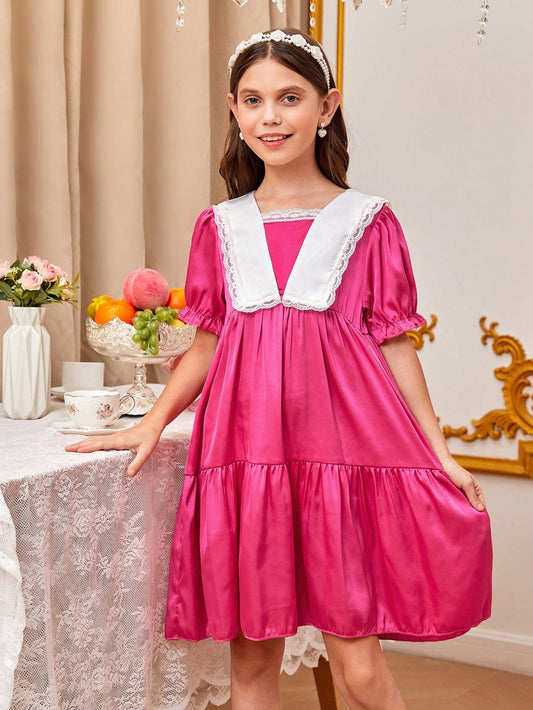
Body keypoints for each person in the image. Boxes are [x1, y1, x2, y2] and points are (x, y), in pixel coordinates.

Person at [67, 28, 492, 710]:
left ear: (326, 108)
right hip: (247, 451)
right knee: (251, 668)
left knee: (358, 672)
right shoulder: (219, 226)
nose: (270, 117)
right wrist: (150, 424)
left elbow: (393, 344)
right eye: (253, 100)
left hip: (343, 452)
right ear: (234, 112)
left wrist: (437, 452)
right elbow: (206, 343)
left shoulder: (367, 220)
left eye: (289, 99)